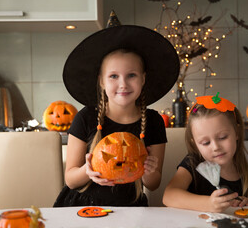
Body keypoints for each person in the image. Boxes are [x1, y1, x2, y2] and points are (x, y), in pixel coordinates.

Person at [54, 11, 179, 207]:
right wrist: (87, 171)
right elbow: (70, 179)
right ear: (101, 81)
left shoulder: (153, 121)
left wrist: (150, 171)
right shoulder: (86, 118)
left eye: (131, 75)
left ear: (143, 78)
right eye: (113, 76)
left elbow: (153, 184)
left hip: (130, 206)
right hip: (84, 206)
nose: (123, 84)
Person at [162, 93, 248, 212]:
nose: (215, 147)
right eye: (205, 143)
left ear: (237, 132)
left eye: (222, 137)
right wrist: (208, 204)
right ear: (195, 143)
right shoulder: (193, 163)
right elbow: (168, 196)